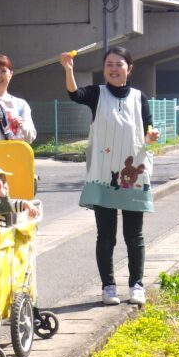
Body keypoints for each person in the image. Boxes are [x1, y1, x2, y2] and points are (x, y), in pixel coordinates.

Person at [59, 46, 160, 306]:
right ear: (104, 70)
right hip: (103, 175)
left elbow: (149, 136)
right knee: (105, 236)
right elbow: (74, 94)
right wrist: (69, 69)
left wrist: (151, 139)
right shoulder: (96, 94)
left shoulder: (140, 98)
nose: (114, 69)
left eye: (119, 64)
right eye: (109, 65)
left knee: (134, 235)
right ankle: (108, 286)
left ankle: (137, 285)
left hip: (133, 175)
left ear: (129, 68)